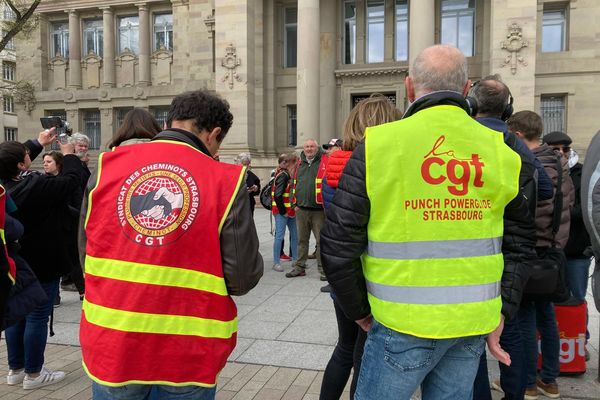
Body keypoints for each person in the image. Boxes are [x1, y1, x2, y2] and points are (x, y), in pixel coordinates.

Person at [321, 45, 529, 400]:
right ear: (466, 90)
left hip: (399, 322)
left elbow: (338, 244)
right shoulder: (501, 148)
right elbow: (521, 241)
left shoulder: (378, 147)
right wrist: (502, 312)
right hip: (470, 323)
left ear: (410, 87)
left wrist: (358, 312)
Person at [79, 90, 263, 400]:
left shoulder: (106, 167)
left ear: (170, 120)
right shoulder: (227, 181)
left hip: (114, 340)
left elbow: (87, 255)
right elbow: (241, 278)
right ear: (214, 133)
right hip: (186, 348)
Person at [320, 94, 399, 400]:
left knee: (345, 346)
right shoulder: (376, 168)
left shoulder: (333, 166)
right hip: (372, 274)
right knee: (364, 355)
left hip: (341, 277)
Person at [469, 76, 539, 400]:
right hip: (510, 261)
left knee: (471, 351)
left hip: (473, 265)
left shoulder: (461, 142)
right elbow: (546, 191)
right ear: (508, 109)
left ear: (471, 105)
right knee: (508, 332)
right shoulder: (518, 149)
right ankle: (516, 393)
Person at [0, 128, 85, 389]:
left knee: (15, 313)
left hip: (12, 259)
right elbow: (71, 181)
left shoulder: (5, 184)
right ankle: (34, 374)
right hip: (43, 258)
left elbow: (8, 159)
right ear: (20, 164)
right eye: (27, 154)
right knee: (37, 315)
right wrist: (69, 155)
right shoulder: (35, 185)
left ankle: (16, 369)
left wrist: (38, 142)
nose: (30, 155)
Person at [508, 111, 575, 400]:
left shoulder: (528, 164)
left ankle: (527, 384)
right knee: (547, 317)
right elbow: (566, 208)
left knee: (523, 320)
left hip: (529, 252)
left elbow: (528, 211)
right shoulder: (560, 164)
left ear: (519, 136)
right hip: (551, 253)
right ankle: (550, 378)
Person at [287, 139, 327, 279]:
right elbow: (293, 184)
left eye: (312, 146)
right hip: (302, 209)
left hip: (319, 210)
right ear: (303, 149)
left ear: (317, 148)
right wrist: (294, 204)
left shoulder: (324, 162)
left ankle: (323, 270)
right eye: (307, 147)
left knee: (321, 241)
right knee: (301, 240)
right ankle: (300, 267)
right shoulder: (299, 164)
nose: (309, 149)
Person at [272, 153, 299, 272]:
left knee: (294, 235)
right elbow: (278, 196)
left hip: (289, 211)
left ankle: (296, 260)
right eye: (296, 164)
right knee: (279, 237)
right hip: (282, 211)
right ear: (288, 164)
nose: (297, 166)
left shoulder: (286, 175)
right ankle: (276, 262)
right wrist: (283, 211)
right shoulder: (283, 176)